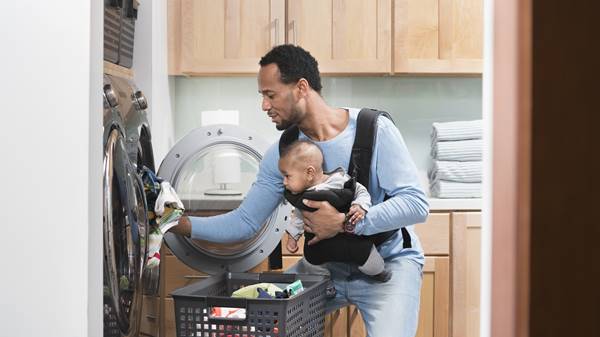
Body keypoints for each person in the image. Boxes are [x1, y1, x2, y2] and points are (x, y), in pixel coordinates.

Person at [171, 44, 429, 337]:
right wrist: (174, 224)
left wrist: (345, 223)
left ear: (301, 88)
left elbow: (416, 204)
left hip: (388, 264)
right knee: (254, 323)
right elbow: (244, 222)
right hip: (325, 268)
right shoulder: (284, 154)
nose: (264, 106)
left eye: (270, 95)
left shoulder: (374, 129)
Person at [279, 139, 391, 282]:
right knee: (311, 261)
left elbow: (360, 191)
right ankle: (324, 285)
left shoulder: (339, 180)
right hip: (318, 246)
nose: (284, 182)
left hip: (349, 240)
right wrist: (292, 236)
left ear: (309, 173)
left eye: (287, 176)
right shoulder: (302, 196)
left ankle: (379, 271)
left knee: (366, 255)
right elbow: (299, 217)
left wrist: (359, 206)